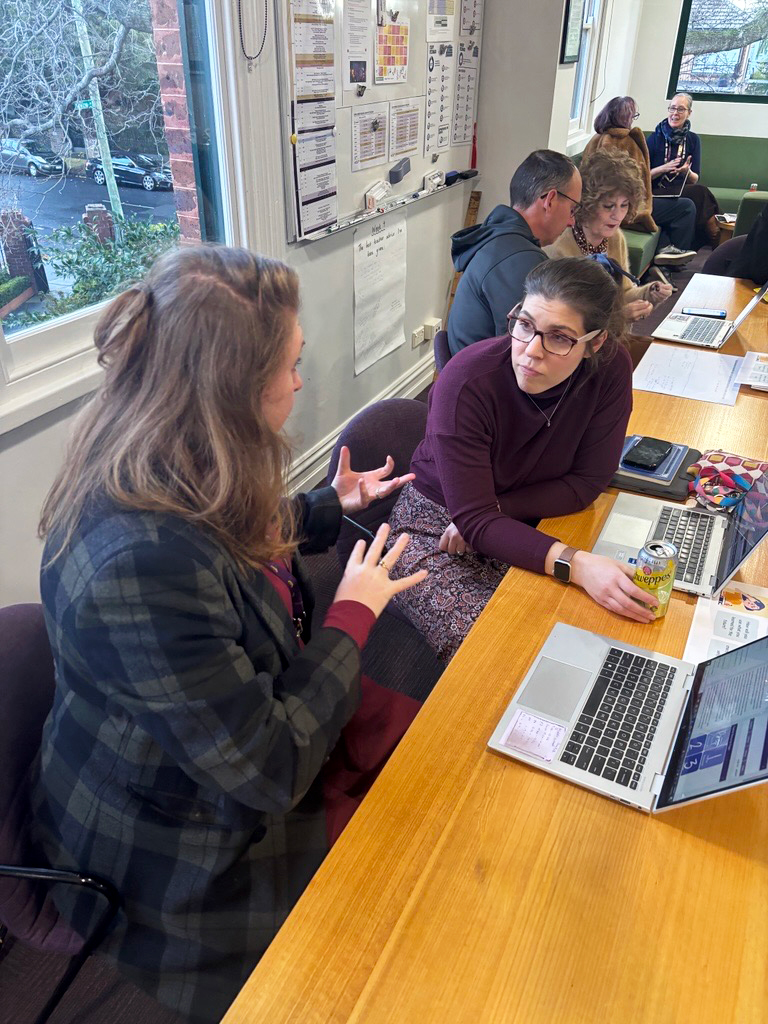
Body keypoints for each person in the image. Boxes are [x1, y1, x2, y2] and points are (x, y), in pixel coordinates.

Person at [31, 246, 427, 1024]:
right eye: (290, 366)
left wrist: (325, 507)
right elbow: (269, 769)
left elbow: (215, 533)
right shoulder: (140, 566)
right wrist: (351, 614)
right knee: (398, 897)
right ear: (231, 391)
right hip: (160, 844)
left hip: (198, 749)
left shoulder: (151, 456)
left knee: (431, 762)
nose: (299, 383)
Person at [388, 258, 658, 663]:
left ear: (596, 343)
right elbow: (473, 519)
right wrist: (576, 564)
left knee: (592, 630)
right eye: (525, 325)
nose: (531, 351)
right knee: (502, 655)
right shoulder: (467, 381)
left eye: (560, 338)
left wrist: (500, 510)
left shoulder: (610, 367)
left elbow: (588, 481)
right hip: (435, 524)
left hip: (518, 508)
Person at [446, 149, 581, 356]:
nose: (572, 221)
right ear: (550, 200)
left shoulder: (499, 238)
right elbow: (528, 351)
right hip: (485, 382)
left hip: (474, 372)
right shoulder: (520, 259)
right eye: (572, 210)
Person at [545, 150, 674, 322]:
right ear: (587, 203)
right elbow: (567, 321)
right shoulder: (560, 248)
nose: (618, 215)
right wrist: (618, 318)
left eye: (624, 205)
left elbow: (624, 294)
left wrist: (649, 293)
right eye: (608, 206)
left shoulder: (615, 238)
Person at [584, 95, 696, 265]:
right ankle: (672, 260)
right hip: (624, 209)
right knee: (686, 207)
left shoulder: (596, 139)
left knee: (686, 199)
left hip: (599, 206)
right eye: (633, 116)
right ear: (625, 117)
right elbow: (635, 182)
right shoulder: (626, 141)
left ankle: (664, 253)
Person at [646, 93, 720, 248]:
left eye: (681, 109)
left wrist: (686, 172)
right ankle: (715, 237)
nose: (675, 113)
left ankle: (711, 240)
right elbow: (642, 177)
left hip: (682, 189)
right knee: (702, 193)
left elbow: (695, 178)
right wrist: (663, 168)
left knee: (699, 193)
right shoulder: (654, 139)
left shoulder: (693, 140)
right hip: (656, 190)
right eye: (672, 108)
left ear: (689, 113)